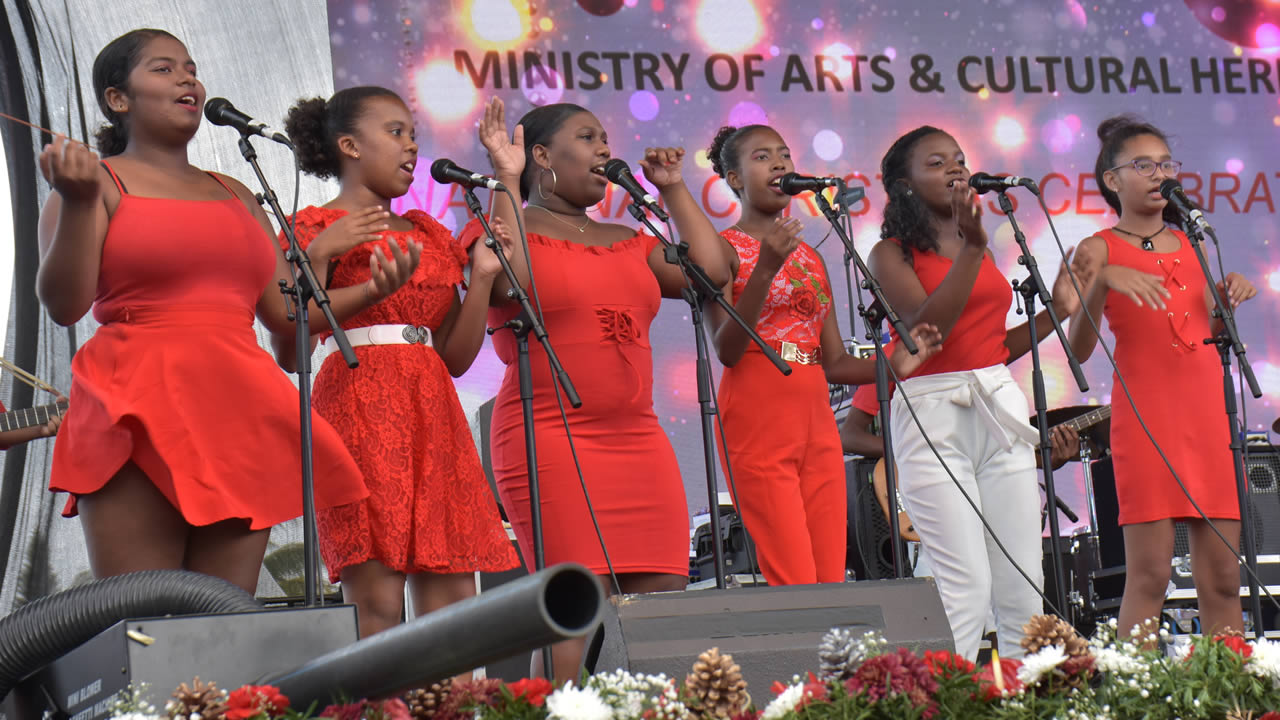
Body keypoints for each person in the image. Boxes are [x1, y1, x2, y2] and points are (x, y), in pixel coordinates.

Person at [34, 29, 414, 593]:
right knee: (145, 619)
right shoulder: (96, 184)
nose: (187, 79)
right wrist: (78, 200)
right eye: (164, 69)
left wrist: (370, 292)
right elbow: (65, 305)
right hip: (134, 402)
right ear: (118, 99)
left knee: (225, 619)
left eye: (191, 68)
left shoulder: (237, 193)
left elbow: (287, 319)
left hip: (238, 410)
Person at [458, 98, 730, 681]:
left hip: (639, 439)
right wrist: (505, 176)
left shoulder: (628, 238)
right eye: (587, 137)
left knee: (663, 610)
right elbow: (509, 281)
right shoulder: (499, 223)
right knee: (573, 613)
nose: (605, 147)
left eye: (605, 137)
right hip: (550, 437)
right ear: (541, 155)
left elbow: (712, 273)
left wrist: (673, 189)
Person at [280, 86, 519, 638]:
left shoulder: (430, 234)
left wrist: (483, 278)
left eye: (413, 134)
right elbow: (289, 349)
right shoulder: (311, 228)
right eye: (395, 132)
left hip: (433, 410)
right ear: (349, 145)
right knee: (378, 600)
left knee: (453, 602)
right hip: (357, 407)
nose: (411, 145)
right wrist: (322, 256)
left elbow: (455, 357)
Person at [866, 125, 1084, 660]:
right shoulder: (889, 254)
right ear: (904, 185)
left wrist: (1058, 311)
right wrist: (973, 249)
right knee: (964, 584)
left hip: (996, 399)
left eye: (959, 158)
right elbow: (928, 333)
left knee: (1023, 579)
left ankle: (1023, 692)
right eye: (937, 162)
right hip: (932, 409)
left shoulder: (975, 248)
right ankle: (951, 693)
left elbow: (991, 348)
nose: (957, 168)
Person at [703, 123, 941, 586]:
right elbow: (727, 349)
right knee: (792, 571)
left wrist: (893, 366)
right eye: (761, 157)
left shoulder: (810, 258)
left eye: (784, 154)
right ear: (733, 179)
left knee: (830, 569)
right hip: (757, 404)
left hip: (814, 414)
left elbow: (833, 363)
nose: (779, 163)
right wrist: (765, 267)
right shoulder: (722, 248)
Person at [1067, 115, 1257, 639]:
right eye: (1144, 166)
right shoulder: (1097, 248)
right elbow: (1078, 349)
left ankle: (1229, 684)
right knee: (1150, 576)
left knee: (1223, 580)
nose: (1159, 175)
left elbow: (1207, 332)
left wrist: (1230, 298)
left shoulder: (1194, 242)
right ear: (1112, 180)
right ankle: (1138, 686)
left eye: (1166, 165)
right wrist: (1102, 282)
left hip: (1209, 416)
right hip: (1148, 417)